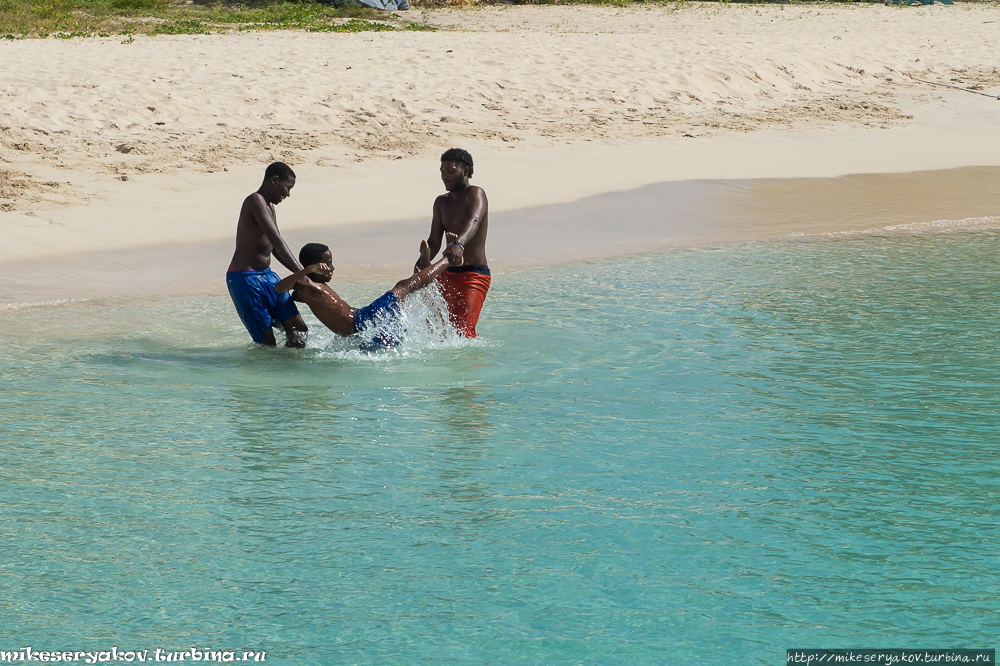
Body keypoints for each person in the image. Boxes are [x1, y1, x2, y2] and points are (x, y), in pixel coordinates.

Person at [276, 234, 461, 350]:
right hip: (362, 321)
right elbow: (279, 288)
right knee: (404, 287)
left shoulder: (310, 287)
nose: (332, 268)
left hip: (360, 323)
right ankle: (446, 259)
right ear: (315, 266)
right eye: (328, 263)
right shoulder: (307, 284)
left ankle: (425, 265)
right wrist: (308, 270)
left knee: (407, 294)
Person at [226, 162, 309, 348]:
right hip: (245, 279)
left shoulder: (271, 206)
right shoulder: (255, 200)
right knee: (267, 343)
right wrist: (301, 272)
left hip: (268, 276)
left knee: (299, 331)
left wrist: (300, 275)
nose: (288, 194)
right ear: (275, 180)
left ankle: (289, 373)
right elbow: (275, 237)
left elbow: (275, 246)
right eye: (287, 188)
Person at [414, 148, 491, 338]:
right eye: (442, 172)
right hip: (447, 273)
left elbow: (474, 221)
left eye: (450, 171)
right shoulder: (441, 203)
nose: (444, 177)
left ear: (465, 171)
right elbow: (434, 241)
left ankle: (467, 367)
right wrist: (421, 262)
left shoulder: (475, 193)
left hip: (473, 275)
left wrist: (459, 244)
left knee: (464, 333)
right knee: (437, 330)